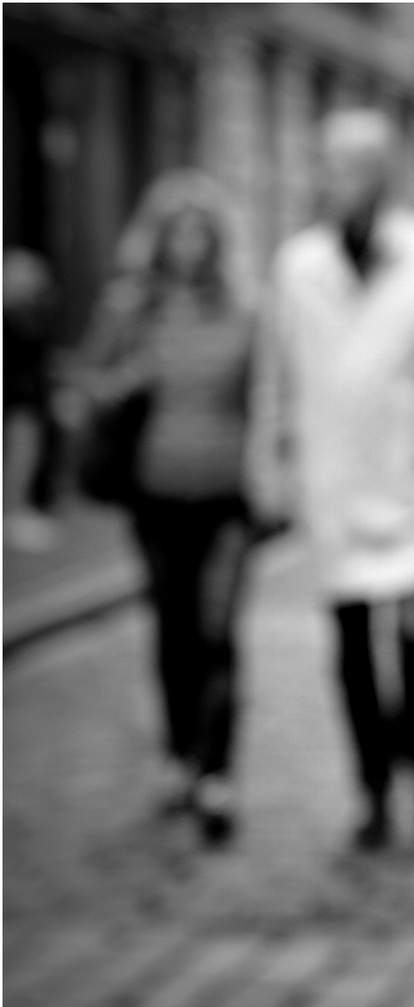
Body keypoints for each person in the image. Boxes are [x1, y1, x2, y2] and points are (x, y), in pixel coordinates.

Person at [248, 109, 414, 850]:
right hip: (334, 483)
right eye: (332, 163)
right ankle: (371, 785)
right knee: (352, 639)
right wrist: (267, 467)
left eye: (359, 163)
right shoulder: (298, 265)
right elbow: (274, 375)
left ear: (388, 172)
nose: (343, 179)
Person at [70, 171, 258, 843]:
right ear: (158, 240)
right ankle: (180, 755)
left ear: (216, 241)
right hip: (156, 493)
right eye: (175, 232)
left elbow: (265, 400)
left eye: (199, 233)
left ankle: (218, 772)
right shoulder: (130, 307)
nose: (186, 246)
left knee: (218, 631)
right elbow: (86, 385)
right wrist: (126, 380)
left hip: (227, 494)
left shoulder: (242, 308)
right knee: (173, 631)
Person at [4, 248, 62, 552]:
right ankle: (13, 512)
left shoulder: (30, 316)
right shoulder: (14, 320)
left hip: (29, 402)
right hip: (19, 403)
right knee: (19, 452)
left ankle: (19, 510)